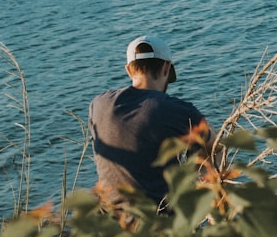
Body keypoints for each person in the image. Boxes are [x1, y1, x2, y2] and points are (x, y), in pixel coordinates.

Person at [89, 35, 211, 213]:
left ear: (129, 71)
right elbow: (215, 143)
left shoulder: (98, 105)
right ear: (166, 68)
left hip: (112, 226)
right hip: (161, 225)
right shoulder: (178, 110)